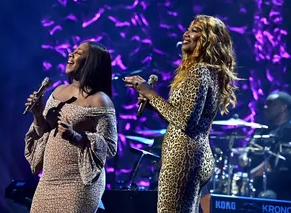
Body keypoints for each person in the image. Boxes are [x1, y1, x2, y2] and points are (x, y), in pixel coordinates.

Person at [123, 15, 239, 212]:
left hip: (182, 155)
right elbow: (184, 116)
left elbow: (185, 122)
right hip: (195, 154)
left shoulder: (199, 71)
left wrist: (150, 93)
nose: (186, 33)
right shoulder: (208, 71)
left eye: (194, 30)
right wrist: (153, 105)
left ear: (208, 39)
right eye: (188, 29)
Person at [24, 41, 118, 213]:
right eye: (72, 52)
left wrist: (77, 137)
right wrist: (38, 115)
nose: (70, 55)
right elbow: (43, 132)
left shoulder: (100, 100)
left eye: (77, 53)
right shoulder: (58, 91)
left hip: (78, 184)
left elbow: (110, 148)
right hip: (48, 181)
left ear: (91, 62)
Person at [242, 91, 291, 200]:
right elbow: (247, 149)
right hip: (254, 185)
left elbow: (275, 160)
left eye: (270, 104)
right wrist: (243, 156)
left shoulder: (288, 131)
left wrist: (252, 174)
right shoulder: (261, 131)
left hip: (278, 189)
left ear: (283, 107)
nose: (265, 107)